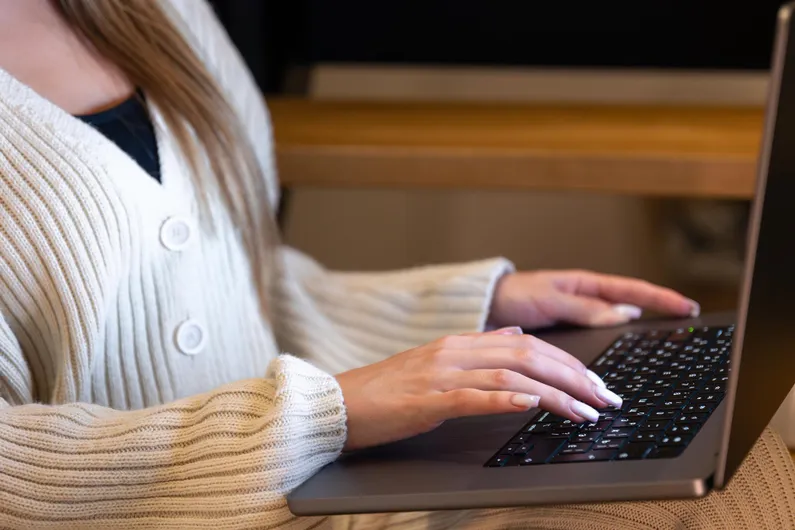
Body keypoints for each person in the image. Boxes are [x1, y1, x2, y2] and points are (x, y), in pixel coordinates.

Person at [0, 1, 792, 528]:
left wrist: (472, 307)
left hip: (328, 490)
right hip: (256, 488)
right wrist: (326, 412)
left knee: (744, 448)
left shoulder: (157, 10)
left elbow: (232, 286)